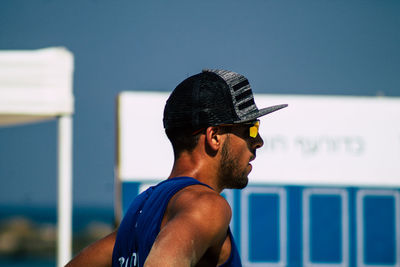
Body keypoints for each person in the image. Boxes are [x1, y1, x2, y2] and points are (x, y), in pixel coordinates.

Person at [66, 69, 287, 267]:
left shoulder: (139, 211)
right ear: (214, 136)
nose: (258, 141)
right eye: (250, 129)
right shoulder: (206, 206)